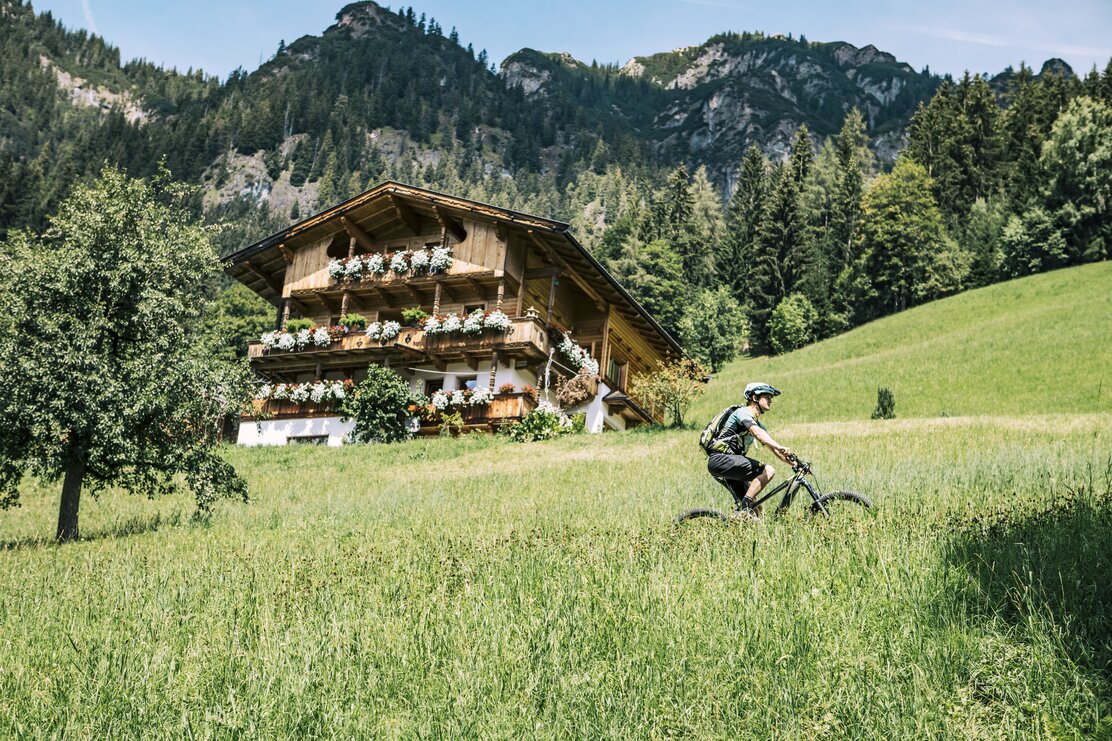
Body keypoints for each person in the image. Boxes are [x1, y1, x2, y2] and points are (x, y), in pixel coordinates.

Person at [705, 382, 793, 515]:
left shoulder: (757, 423)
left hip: (729, 462)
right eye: (767, 396)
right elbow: (759, 435)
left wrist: (795, 463)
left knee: (757, 509)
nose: (770, 400)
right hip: (721, 459)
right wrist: (779, 446)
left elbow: (774, 450)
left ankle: (742, 518)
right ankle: (744, 509)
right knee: (768, 470)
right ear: (755, 398)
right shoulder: (742, 413)